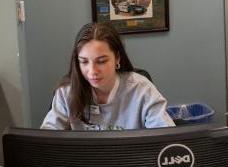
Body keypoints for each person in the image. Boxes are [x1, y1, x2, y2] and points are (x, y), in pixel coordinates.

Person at [41, 22, 175, 130]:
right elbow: (47, 141)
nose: (92, 71)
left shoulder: (142, 90)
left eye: (101, 61)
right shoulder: (66, 92)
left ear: (117, 58)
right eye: (84, 62)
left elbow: (166, 137)